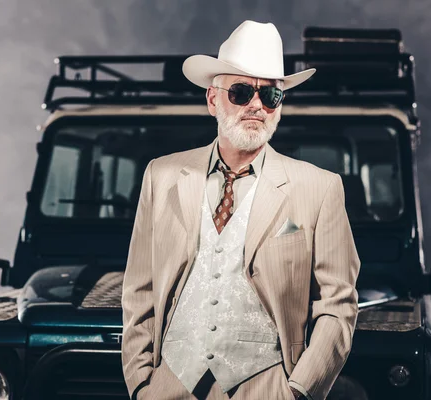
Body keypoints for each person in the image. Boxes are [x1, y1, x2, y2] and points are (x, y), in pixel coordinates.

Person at [121, 20, 360, 400]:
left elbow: (338, 305)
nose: (256, 106)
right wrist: (141, 385)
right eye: (241, 91)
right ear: (213, 99)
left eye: (270, 96)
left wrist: (298, 391)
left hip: (270, 388)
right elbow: (140, 290)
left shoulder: (320, 187)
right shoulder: (161, 175)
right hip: (170, 385)